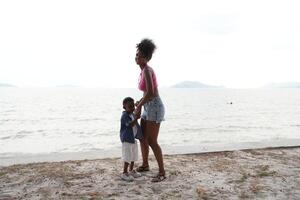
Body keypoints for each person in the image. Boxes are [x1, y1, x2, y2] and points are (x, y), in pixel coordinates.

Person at [134, 38, 166, 182]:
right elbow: (146, 93)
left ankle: (162, 172)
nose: (137, 57)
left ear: (146, 58)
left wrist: (140, 105)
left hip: (155, 107)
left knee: (152, 141)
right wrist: (140, 102)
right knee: (143, 138)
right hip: (148, 106)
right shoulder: (142, 71)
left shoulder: (147, 70)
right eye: (137, 54)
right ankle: (145, 164)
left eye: (140, 55)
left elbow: (151, 92)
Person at [120, 97, 143, 181]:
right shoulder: (124, 116)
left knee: (134, 155)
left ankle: (131, 170)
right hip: (127, 139)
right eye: (130, 106)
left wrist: (139, 105)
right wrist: (136, 118)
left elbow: (138, 113)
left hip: (133, 138)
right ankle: (124, 173)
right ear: (124, 107)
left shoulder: (132, 114)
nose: (132, 108)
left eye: (133, 106)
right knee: (127, 156)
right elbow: (129, 125)